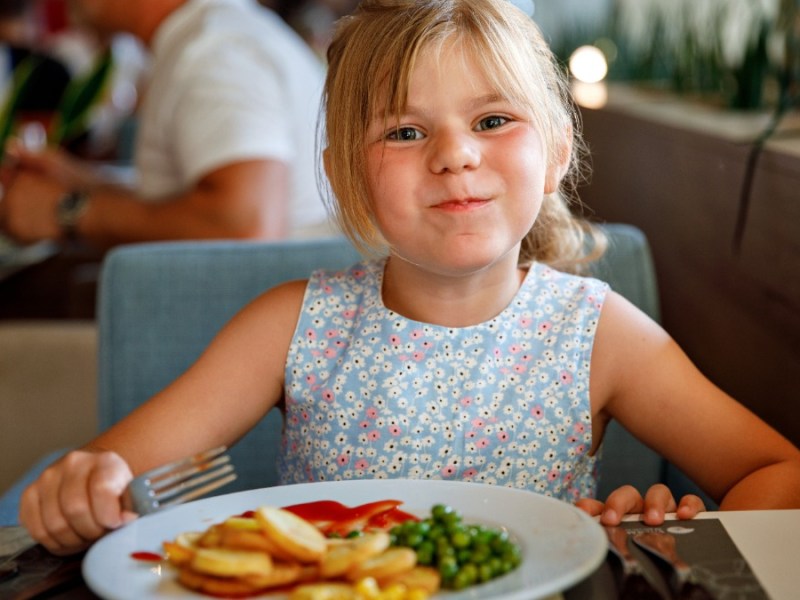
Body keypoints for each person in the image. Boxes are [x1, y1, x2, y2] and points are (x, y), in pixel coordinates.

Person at [19, 0, 800, 556]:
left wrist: (686, 551)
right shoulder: (289, 326)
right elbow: (104, 471)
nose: (455, 154)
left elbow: (780, 472)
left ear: (558, 149)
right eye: (404, 130)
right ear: (346, 176)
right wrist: (80, 486)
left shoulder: (599, 333)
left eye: (493, 120)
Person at [0, 0, 334, 248]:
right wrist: (86, 184)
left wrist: (69, 211)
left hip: (241, 324)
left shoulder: (214, 53)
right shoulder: (215, 35)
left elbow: (246, 226)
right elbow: (202, 201)